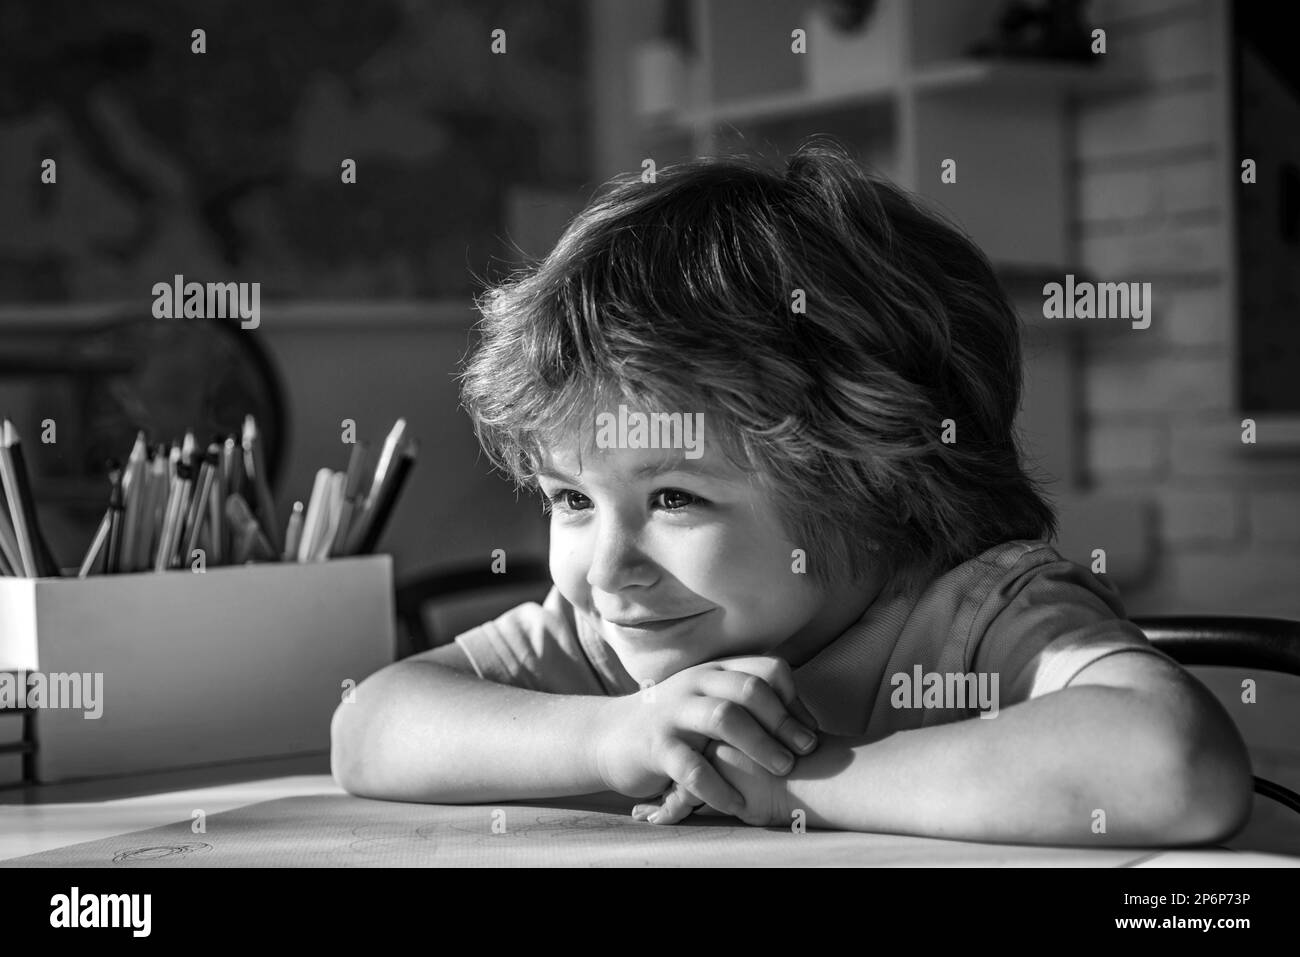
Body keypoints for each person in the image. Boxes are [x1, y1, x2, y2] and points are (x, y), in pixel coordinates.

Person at [331, 141, 1251, 844]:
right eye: (572, 499)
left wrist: (796, 784)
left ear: (868, 478)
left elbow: (1173, 762)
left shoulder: (972, 617)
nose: (606, 568)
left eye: (676, 499)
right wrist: (612, 738)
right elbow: (367, 728)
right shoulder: (620, 647)